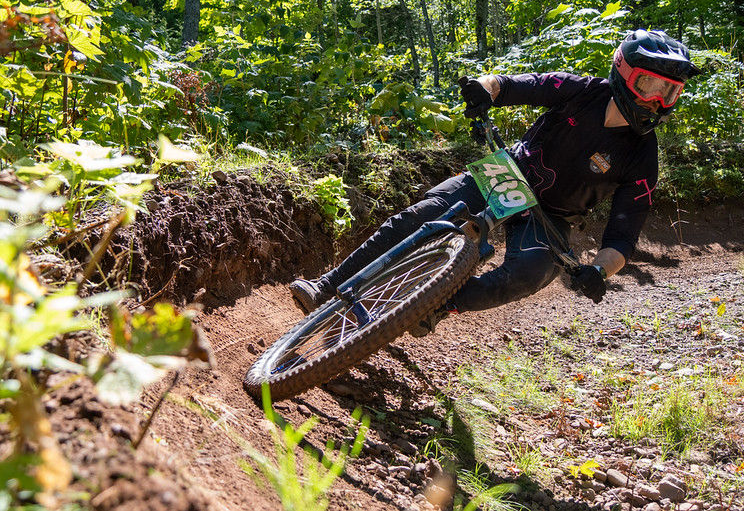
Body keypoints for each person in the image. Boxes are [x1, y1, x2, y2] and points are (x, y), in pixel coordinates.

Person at [290, 29, 701, 336]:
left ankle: (433, 306)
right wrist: (482, 91)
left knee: (530, 273)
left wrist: (599, 270)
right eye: (651, 86)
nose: (658, 102)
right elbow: (509, 85)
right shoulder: (579, 91)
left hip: (552, 218)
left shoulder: (643, 157)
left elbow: (622, 239)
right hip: (510, 173)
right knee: (422, 216)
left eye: (670, 92)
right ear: (624, 74)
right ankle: (326, 287)